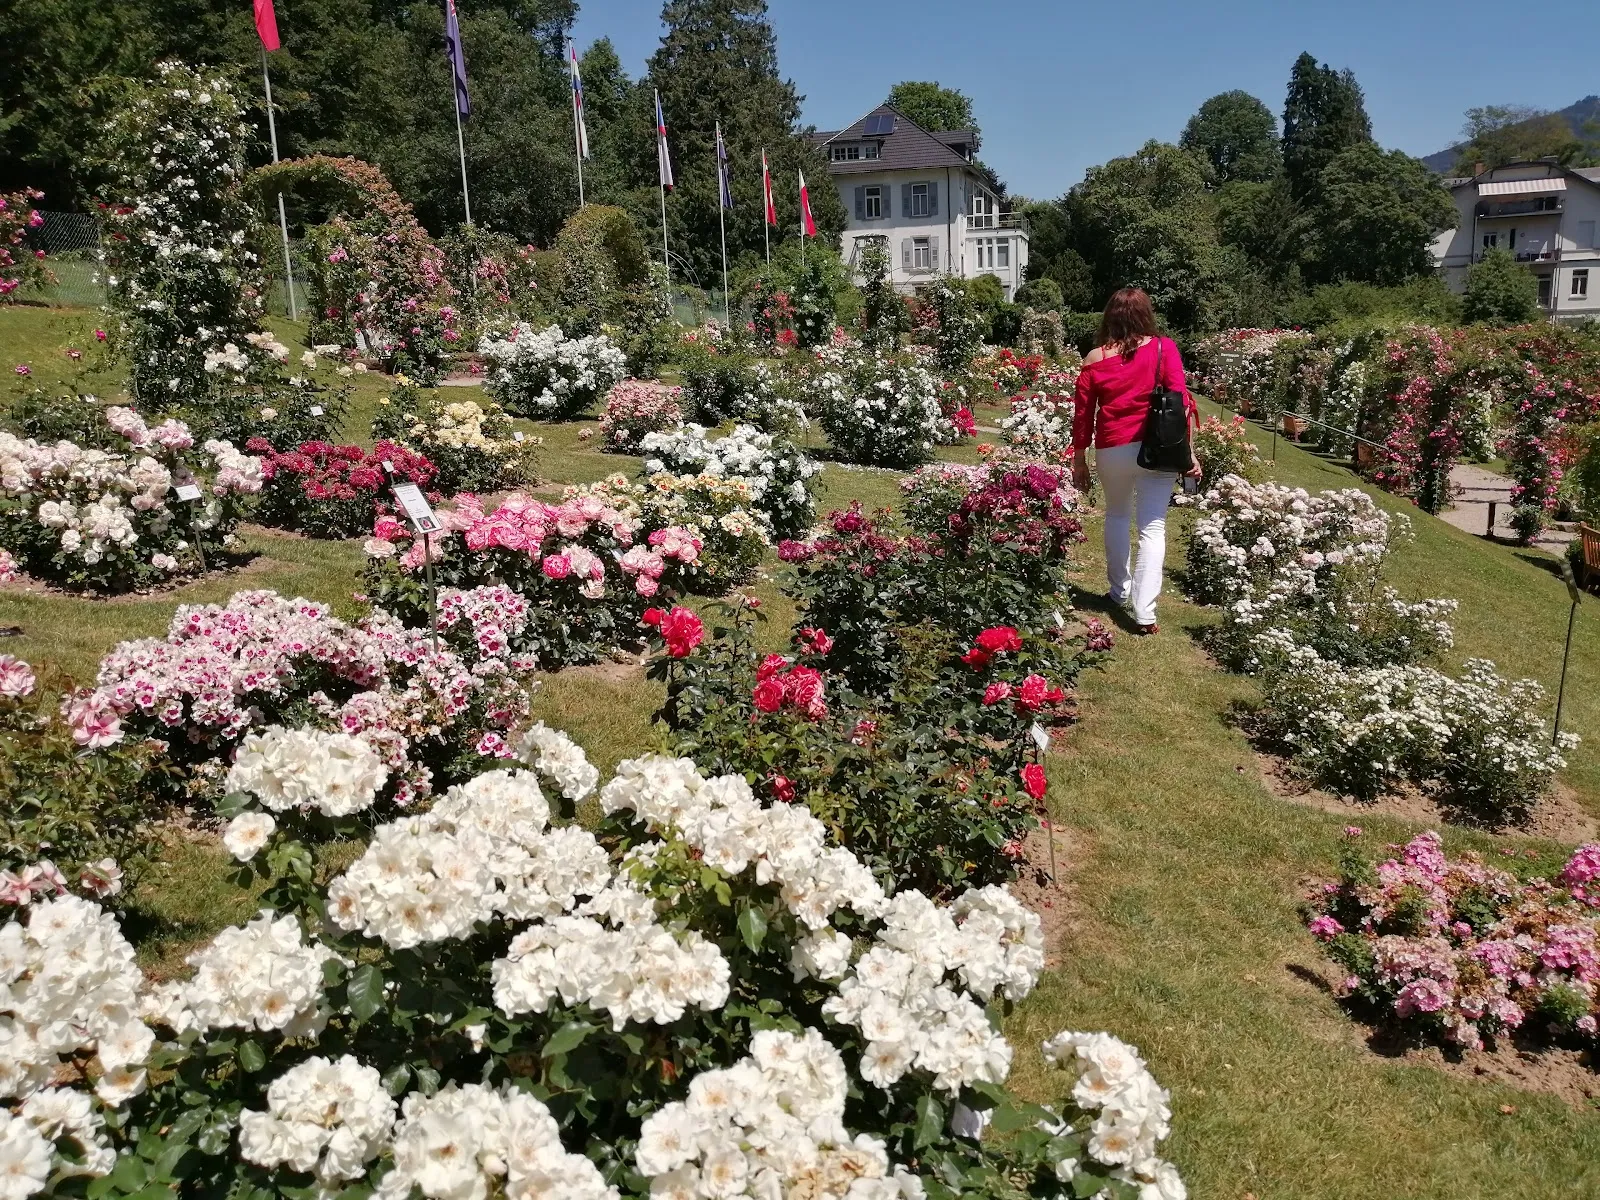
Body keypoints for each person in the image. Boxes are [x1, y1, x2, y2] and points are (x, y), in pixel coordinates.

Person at [1070, 287, 1199, 636]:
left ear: (1110, 317)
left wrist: (1079, 459)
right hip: (1157, 448)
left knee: (1116, 515)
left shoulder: (1094, 358)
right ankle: (1144, 614)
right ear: (1146, 315)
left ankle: (1118, 592)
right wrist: (1189, 453)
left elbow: (1083, 415)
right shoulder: (1163, 348)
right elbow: (1179, 401)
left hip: (1112, 448)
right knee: (1152, 527)